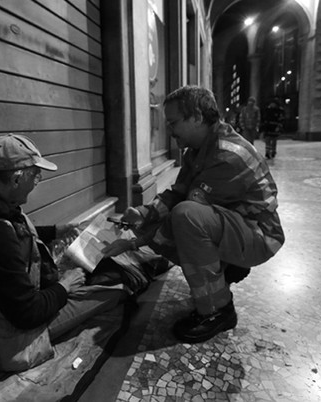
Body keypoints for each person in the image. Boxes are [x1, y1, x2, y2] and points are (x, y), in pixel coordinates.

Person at [103, 86, 284, 344]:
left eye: (173, 122)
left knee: (186, 220)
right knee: (185, 218)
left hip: (259, 236)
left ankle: (218, 311)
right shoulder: (198, 149)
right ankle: (227, 269)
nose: (169, 130)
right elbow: (178, 192)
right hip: (237, 226)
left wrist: (134, 243)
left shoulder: (226, 156)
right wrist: (143, 213)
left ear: (197, 117)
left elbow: (186, 213)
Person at [0, 133, 125, 371]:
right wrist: (65, 286)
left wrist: (56, 231)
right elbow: (27, 313)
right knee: (113, 290)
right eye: (35, 174)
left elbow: (11, 228)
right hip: (1, 334)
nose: (38, 179)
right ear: (15, 178)